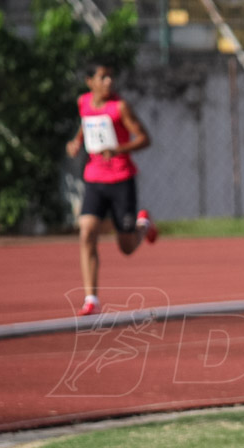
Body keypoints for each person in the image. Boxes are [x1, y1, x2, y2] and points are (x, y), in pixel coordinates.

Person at [66, 59, 157, 317]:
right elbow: (86, 124)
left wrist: (117, 149)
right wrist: (75, 142)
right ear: (90, 82)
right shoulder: (83, 102)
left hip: (121, 179)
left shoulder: (120, 108)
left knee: (126, 248)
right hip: (94, 178)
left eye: (111, 77)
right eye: (103, 77)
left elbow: (144, 138)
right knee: (87, 232)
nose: (109, 82)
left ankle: (144, 224)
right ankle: (91, 298)